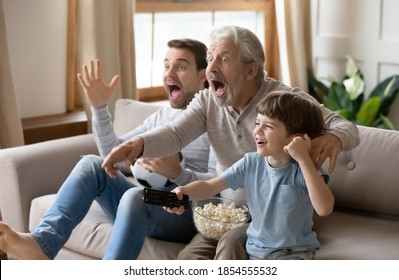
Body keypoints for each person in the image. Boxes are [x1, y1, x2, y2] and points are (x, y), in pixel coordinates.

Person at [101, 25, 360, 260]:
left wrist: (333, 137)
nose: (211, 68)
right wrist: (134, 145)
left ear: (250, 69)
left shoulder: (283, 102)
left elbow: (347, 127)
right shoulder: (209, 101)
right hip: (224, 212)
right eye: (210, 59)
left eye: (224, 60)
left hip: (273, 222)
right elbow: (175, 134)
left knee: (230, 246)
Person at [0, 38, 216, 260]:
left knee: (135, 196)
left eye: (180, 66)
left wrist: (178, 175)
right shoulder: (160, 117)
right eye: (166, 65)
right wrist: (99, 107)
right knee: (91, 164)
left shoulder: (215, 123)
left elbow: (219, 188)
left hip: (185, 207)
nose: (169, 74)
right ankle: (42, 244)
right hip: (149, 198)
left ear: (203, 76)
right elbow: (112, 155)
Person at [165, 91, 335, 260]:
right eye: (257, 123)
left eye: (268, 126)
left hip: (294, 255)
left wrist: (304, 159)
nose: (257, 131)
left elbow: (324, 208)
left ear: (296, 139)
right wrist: (183, 192)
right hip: (255, 251)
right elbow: (210, 186)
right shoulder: (250, 163)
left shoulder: (304, 169)